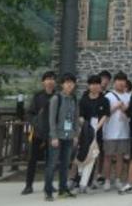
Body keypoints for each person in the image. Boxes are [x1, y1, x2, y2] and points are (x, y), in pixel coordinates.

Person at [44, 73, 80, 201]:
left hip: (69, 136)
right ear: (62, 84)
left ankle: (63, 190)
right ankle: (48, 192)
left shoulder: (74, 99)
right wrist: (54, 136)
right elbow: (51, 119)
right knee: (52, 165)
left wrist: (76, 135)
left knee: (65, 165)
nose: (69, 85)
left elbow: (75, 118)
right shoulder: (56, 98)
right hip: (57, 137)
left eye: (71, 82)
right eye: (66, 82)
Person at [22, 70, 56, 196]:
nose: (50, 81)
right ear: (43, 82)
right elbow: (29, 113)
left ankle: (49, 184)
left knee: (50, 161)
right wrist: (35, 123)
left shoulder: (57, 96)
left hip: (51, 133)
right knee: (32, 159)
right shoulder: (37, 97)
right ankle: (28, 185)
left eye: (52, 79)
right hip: (37, 133)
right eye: (47, 79)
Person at [75, 74, 109, 193]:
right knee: (82, 155)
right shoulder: (84, 100)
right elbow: (80, 116)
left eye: (97, 84)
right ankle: (78, 181)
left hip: (97, 132)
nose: (94, 86)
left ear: (100, 85)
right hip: (84, 133)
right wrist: (86, 127)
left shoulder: (104, 100)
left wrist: (96, 128)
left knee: (93, 157)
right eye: (92, 84)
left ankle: (87, 183)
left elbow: (105, 115)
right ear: (89, 86)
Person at [102, 72, 131, 191]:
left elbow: (131, 113)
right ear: (114, 82)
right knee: (108, 156)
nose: (121, 83)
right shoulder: (108, 96)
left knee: (120, 157)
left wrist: (125, 109)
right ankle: (107, 180)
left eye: (123, 80)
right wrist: (115, 107)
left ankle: (118, 179)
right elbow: (104, 113)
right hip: (110, 131)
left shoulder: (129, 96)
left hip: (124, 131)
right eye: (119, 80)